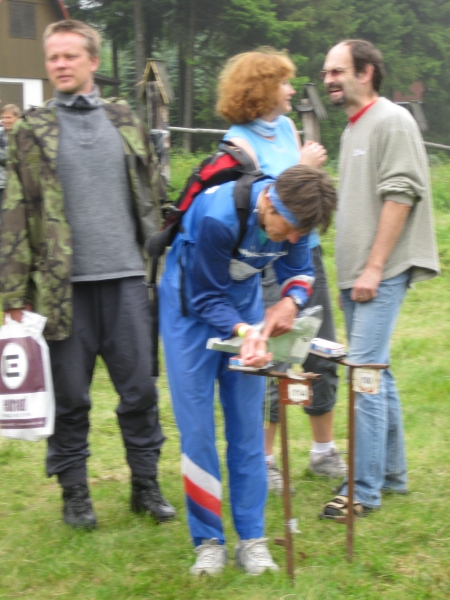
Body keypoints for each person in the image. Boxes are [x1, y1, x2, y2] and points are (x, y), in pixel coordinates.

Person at [0, 20, 175, 529]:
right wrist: (13, 294)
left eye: (69, 56)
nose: (59, 64)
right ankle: (75, 493)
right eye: (53, 57)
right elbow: (14, 213)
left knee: (140, 390)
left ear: (93, 61)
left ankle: (146, 484)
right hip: (60, 290)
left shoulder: (125, 120)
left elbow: (152, 194)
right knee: (70, 397)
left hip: (127, 281)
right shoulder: (30, 130)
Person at [160, 164, 337, 575]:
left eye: (299, 234)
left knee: (247, 425)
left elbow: (299, 271)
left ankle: (251, 539)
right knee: (198, 429)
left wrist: (289, 302)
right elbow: (204, 297)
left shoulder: (296, 217)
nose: (292, 240)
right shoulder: (218, 217)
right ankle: (209, 542)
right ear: (269, 202)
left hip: (243, 303)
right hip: (190, 308)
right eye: (288, 230)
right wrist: (244, 331)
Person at [217, 49, 347, 493]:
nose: (291, 90)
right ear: (261, 89)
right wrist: (303, 168)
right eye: (284, 83)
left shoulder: (288, 128)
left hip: (305, 256)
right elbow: (261, 197)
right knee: (272, 356)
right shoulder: (238, 142)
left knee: (321, 347)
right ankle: (266, 460)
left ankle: (323, 449)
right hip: (266, 262)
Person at [319, 40, 439, 519]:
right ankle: (391, 474)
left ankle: (361, 491)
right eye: (326, 72)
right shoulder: (353, 127)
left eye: (337, 71)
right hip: (357, 274)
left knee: (363, 375)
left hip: (381, 271)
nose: (328, 79)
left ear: (366, 71)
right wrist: (351, 274)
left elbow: (401, 194)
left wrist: (372, 267)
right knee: (376, 371)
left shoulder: (392, 120)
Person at [0, 104, 20, 220]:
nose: (5, 120)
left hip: (20, 185)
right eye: (3, 117)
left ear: (18, 118)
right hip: (2, 184)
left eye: (9, 117)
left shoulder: (24, 134)